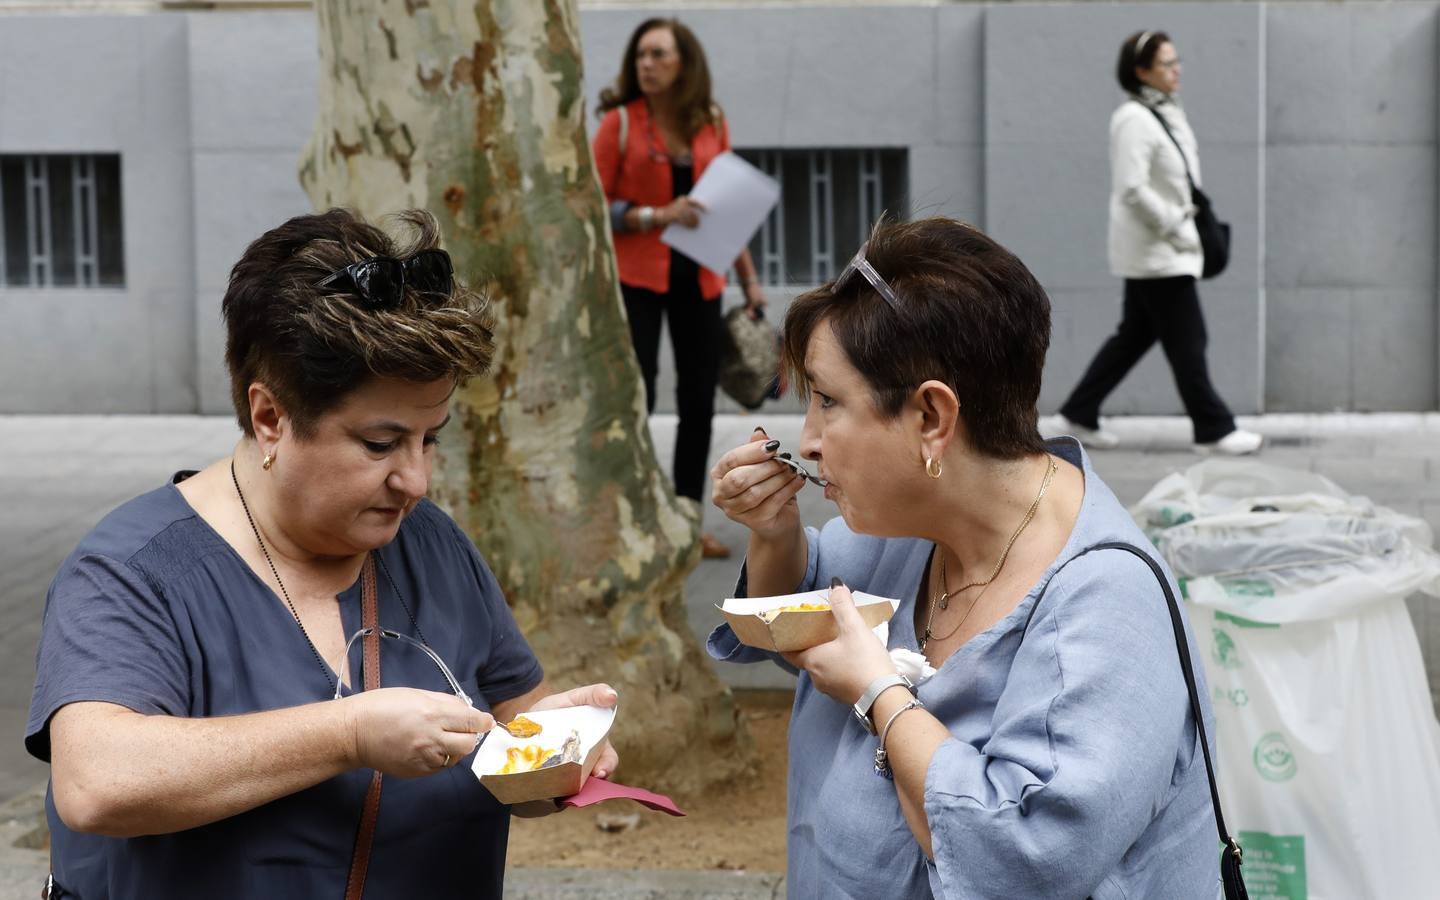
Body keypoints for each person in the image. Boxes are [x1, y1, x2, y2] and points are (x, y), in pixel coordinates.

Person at [25, 209, 618, 898]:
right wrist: (349, 734)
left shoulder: (435, 546)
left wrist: (559, 755)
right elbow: (99, 784)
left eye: (431, 439)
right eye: (379, 443)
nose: (416, 481)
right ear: (270, 417)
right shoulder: (133, 572)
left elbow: (521, 730)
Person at [708, 218, 1223, 897]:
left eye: (829, 402)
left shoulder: (1106, 608)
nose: (806, 442)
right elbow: (796, 628)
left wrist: (879, 695)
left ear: (931, 418)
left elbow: (1024, 859)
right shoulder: (900, 523)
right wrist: (776, 535)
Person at [592, 16, 768, 559]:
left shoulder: (711, 121)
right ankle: (637, 520)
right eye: (641, 55)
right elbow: (590, 205)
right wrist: (654, 214)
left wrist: (749, 279)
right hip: (637, 277)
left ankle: (687, 525)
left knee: (698, 403)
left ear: (683, 62)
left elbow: (725, 203)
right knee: (635, 395)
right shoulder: (618, 123)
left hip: (702, 276)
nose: (647, 64)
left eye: (659, 55)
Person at [1056, 30, 1262, 456]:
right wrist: (1175, 226)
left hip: (1161, 250)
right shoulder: (1134, 119)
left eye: (1176, 60)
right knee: (1189, 342)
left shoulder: (1164, 112)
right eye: (1166, 64)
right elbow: (1131, 188)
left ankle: (1079, 411)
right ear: (1141, 72)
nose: (1176, 69)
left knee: (1132, 337)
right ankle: (1213, 428)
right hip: (1158, 253)